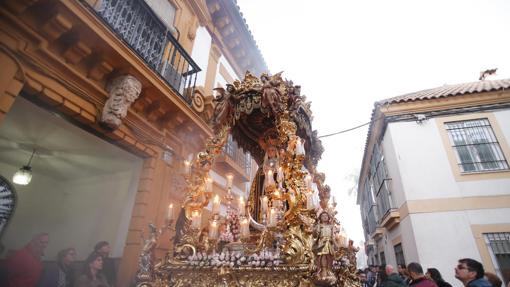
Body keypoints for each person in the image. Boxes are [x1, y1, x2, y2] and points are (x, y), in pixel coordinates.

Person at [313, 211, 337, 284]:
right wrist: (316, 232)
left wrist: (335, 244)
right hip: (321, 242)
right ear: (320, 218)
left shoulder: (331, 226)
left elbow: (333, 236)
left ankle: (329, 270)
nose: (324, 217)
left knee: (329, 256)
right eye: (322, 216)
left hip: (329, 242)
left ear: (328, 217)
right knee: (322, 256)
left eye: (326, 216)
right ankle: (323, 270)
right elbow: (315, 235)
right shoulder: (319, 225)